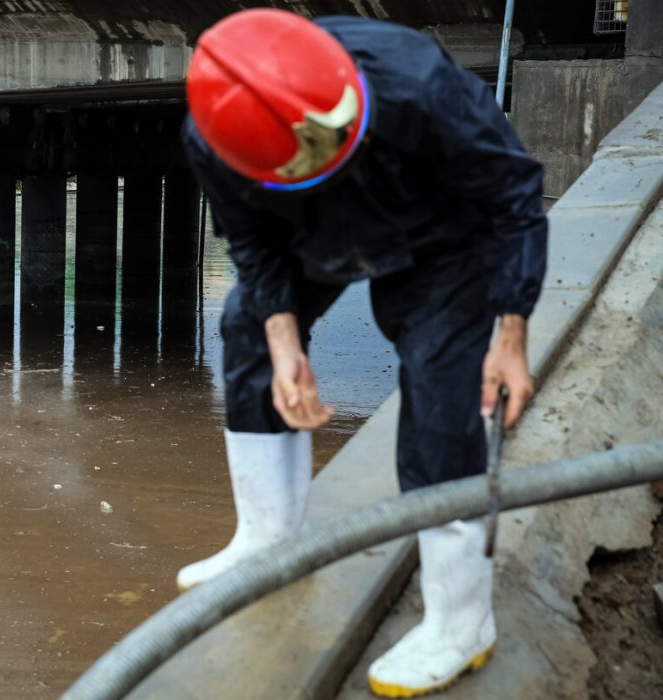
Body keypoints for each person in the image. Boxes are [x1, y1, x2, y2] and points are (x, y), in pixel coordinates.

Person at [179, 9, 547, 697]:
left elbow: (515, 194)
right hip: (308, 231)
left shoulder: (417, 82)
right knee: (249, 330)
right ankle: (268, 541)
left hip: (436, 238)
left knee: (442, 396)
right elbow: (254, 246)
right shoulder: (215, 141)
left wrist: (512, 332)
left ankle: (462, 623)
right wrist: (285, 347)